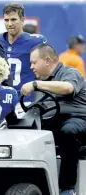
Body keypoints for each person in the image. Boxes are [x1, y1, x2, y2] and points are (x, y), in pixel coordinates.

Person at [21, 43, 86, 195]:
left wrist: (36, 84)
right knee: (26, 135)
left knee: (68, 131)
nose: (31, 67)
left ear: (48, 60)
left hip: (78, 119)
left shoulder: (70, 72)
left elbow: (68, 88)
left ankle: (67, 188)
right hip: (52, 121)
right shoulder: (43, 82)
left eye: (34, 62)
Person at [0, 3, 47, 117]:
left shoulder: (36, 42)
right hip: (2, 98)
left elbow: (46, 71)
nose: (10, 24)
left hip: (26, 99)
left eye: (14, 19)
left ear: (22, 20)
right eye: (6, 20)